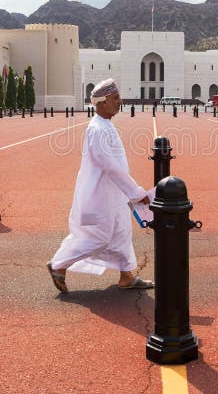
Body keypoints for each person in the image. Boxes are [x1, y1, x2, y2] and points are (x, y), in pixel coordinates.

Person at [47, 78, 154, 292]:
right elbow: (110, 167)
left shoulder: (106, 125)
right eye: (115, 98)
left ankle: (126, 276)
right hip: (100, 196)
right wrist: (136, 193)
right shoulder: (97, 129)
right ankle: (58, 265)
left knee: (121, 233)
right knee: (100, 237)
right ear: (102, 103)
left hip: (114, 195)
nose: (120, 102)